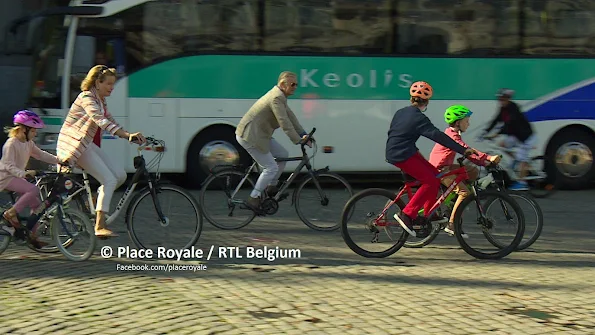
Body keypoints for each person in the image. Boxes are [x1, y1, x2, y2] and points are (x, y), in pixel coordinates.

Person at [56, 65, 146, 238]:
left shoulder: (99, 100)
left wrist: (129, 135)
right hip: (75, 145)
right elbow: (101, 121)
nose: (112, 88)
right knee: (109, 179)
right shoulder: (87, 98)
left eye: (113, 84)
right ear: (97, 82)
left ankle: (98, 203)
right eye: (109, 84)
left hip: (85, 144)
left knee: (120, 175)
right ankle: (99, 225)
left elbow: (109, 119)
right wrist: (126, 136)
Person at [386, 81, 477, 237]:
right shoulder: (419, 118)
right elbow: (439, 136)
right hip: (402, 154)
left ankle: (429, 212)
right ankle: (406, 214)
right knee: (430, 181)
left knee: (436, 176)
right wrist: (463, 150)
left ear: (411, 99)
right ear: (426, 102)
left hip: (401, 151)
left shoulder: (401, 112)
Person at [235, 71, 311, 210]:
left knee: (282, 155)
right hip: (250, 136)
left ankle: (271, 187)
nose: (295, 87)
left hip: (260, 135)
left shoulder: (280, 97)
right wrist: (298, 140)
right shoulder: (276, 98)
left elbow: (290, 116)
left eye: (297, 84)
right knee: (271, 167)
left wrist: (303, 133)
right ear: (282, 84)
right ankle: (254, 197)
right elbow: (284, 122)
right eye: (292, 84)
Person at [429, 105, 501, 238]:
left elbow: (469, 153)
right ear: (458, 122)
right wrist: (488, 158)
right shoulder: (452, 136)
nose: (469, 123)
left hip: (447, 166)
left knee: (472, 171)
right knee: (465, 192)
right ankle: (452, 224)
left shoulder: (453, 133)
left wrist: (483, 162)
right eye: (466, 121)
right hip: (439, 170)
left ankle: (452, 203)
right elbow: (466, 150)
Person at [0, 110, 60, 248]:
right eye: (33, 131)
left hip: (17, 177)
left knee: (37, 206)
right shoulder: (11, 143)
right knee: (33, 189)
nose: (35, 133)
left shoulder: (28, 143)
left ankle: (32, 236)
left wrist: (59, 161)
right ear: (22, 129)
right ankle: (10, 213)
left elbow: (40, 155)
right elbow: (8, 165)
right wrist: (24, 173)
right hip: (5, 178)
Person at [482, 88, 535, 190]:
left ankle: (522, 183)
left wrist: (496, 134)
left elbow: (509, 124)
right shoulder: (503, 109)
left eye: (503, 99)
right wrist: (485, 132)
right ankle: (516, 161)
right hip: (516, 136)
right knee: (502, 146)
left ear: (508, 99)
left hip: (526, 137)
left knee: (522, 158)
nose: (501, 101)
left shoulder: (514, 108)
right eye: (500, 99)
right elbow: (495, 120)